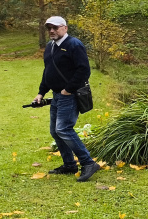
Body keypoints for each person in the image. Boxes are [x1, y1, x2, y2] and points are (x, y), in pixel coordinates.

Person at [33, 16, 100, 182]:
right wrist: (41, 93)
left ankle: (88, 163)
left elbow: (84, 71)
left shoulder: (74, 45)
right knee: (55, 131)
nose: (51, 31)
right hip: (56, 95)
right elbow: (48, 71)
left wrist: (67, 90)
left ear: (65, 28)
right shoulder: (50, 47)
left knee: (63, 129)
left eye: (55, 27)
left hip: (69, 95)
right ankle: (69, 165)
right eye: (49, 27)